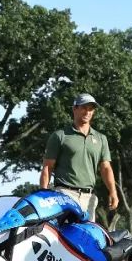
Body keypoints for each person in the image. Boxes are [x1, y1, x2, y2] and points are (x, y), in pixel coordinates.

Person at [40, 93, 119, 222]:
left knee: (86, 238)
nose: (87, 112)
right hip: (64, 194)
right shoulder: (60, 136)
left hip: (89, 197)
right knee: (62, 235)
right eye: (84, 108)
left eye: (91, 109)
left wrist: (113, 192)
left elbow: (106, 168)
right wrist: (43, 193)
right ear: (74, 109)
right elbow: (48, 167)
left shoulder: (100, 139)